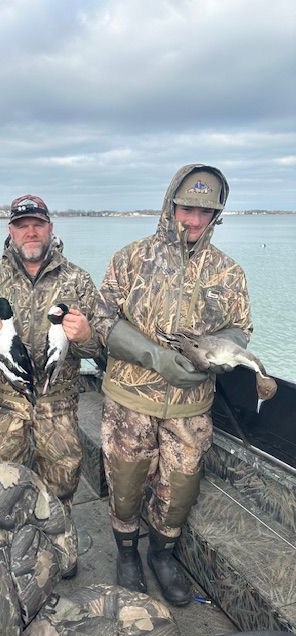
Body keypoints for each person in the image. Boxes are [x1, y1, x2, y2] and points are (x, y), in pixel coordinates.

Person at [93, 164, 252, 605]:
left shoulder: (229, 272)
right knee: (125, 487)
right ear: (170, 205)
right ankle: (127, 555)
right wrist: (157, 357)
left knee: (179, 492)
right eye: (187, 208)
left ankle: (162, 555)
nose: (195, 220)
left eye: (207, 211)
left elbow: (241, 328)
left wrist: (221, 354)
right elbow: (101, 318)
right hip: (128, 403)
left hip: (191, 409)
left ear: (217, 215)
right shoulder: (130, 258)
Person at [0, 194, 102, 513]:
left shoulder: (77, 279)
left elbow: (99, 347)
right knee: (1, 486)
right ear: (11, 231)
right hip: (4, 407)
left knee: (62, 485)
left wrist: (88, 336)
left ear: (50, 228)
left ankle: (55, 553)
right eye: (22, 226)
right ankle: (10, 553)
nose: (31, 232)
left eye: (37, 224)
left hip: (59, 405)